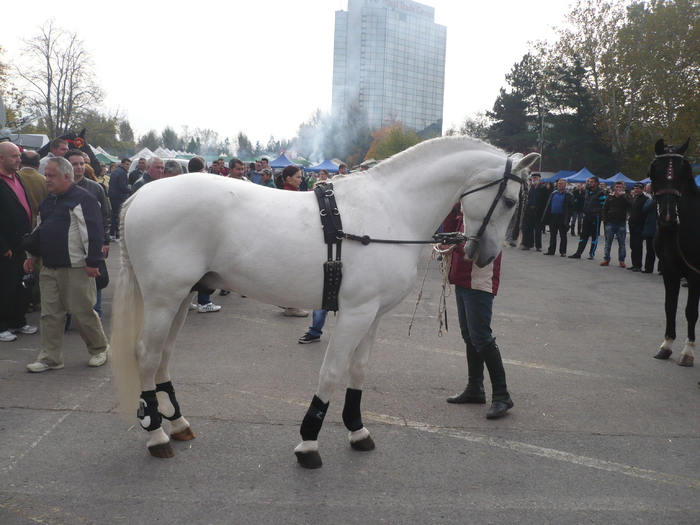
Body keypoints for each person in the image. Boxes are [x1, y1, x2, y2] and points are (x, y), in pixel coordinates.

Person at [24, 157, 109, 372]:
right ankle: (50, 358)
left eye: (52, 175)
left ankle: (100, 349)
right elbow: (38, 230)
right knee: (49, 315)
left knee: (82, 313)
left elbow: (93, 232)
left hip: (77, 268)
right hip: (49, 267)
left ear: (67, 176)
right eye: (46, 174)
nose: (47, 179)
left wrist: (92, 262)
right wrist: (30, 256)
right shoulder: (48, 200)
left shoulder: (83, 199)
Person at [442, 204, 513, 419]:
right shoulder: (464, 209)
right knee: (469, 336)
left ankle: (502, 395)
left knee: (481, 337)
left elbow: (484, 244)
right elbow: (449, 228)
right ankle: (475, 388)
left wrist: (455, 244)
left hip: (479, 277)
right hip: (462, 277)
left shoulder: (486, 211)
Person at [66, 150, 111, 318]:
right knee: (69, 280)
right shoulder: (60, 187)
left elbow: (105, 215)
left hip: (93, 240)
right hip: (70, 241)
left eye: (81, 163)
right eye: (74, 164)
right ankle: (69, 316)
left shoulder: (96, 187)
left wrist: (105, 241)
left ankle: (95, 312)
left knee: (95, 277)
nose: (79, 167)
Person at [0, 142, 37, 342]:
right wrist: (3, 246)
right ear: (1, 158)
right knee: (4, 287)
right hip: (6, 247)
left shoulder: (18, 177)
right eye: (14, 156)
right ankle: (2, 325)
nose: (18, 160)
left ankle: (18, 321)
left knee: (20, 286)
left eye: (19, 156)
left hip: (21, 244)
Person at [280, 165, 308, 317]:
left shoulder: (291, 192)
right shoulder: (288, 194)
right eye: (298, 177)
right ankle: (291, 306)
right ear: (289, 179)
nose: (300, 180)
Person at [568, 176, 606, 260]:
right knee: (583, 235)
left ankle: (591, 253)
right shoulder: (587, 191)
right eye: (589, 181)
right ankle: (578, 253)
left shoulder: (600, 192)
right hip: (586, 215)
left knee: (594, 236)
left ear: (596, 183)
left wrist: (602, 216)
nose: (590, 183)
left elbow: (604, 205)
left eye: (592, 182)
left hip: (595, 215)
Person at [600, 181, 630, 267]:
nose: (618, 188)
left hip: (621, 223)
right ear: (614, 187)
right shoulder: (609, 197)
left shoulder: (626, 196)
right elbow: (604, 209)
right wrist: (605, 221)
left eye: (620, 186)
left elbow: (629, 205)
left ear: (623, 187)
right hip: (610, 222)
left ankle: (621, 260)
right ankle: (606, 259)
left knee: (622, 243)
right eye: (617, 186)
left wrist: (621, 197)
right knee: (608, 242)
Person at [542, 178, 574, 257]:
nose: (559, 185)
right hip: (553, 217)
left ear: (565, 185)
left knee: (563, 235)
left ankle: (562, 251)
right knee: (552, 235)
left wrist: (568, 217)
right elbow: (548, 205)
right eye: (558, 183)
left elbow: (571, 207)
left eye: (561, 184)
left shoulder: (568, 195)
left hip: (562, 217)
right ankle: (551, 250)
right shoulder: (554, 193)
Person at [18, 150, 48, 227]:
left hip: (17, 224)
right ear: (38, 164)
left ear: (20, 163)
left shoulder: (13, 178)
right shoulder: (46, 181)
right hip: (38, 224)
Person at [520, 173, 548, 251]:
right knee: (527, 228)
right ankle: (527, 244)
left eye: (535, 177)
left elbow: (545, 200)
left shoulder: (543, 189)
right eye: (533, 178)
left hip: (537, 211)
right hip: (528, 210)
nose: (534, 179)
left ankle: (538, 246)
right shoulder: (529, 188)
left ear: (539, 178)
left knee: (538, 229)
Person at [107, 158, 132, 240]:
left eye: (129, 164)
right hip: (119, 196)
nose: (128, 166)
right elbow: (122, 186)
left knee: (114, 215)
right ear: (122, 164)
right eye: (126, 164)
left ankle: (111, 234)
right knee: (119, 216)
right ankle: (118, 235)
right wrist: (131, 190)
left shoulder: (116, 171)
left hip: (113, 196)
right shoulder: (122, 173)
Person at [627, 183, 649, 272]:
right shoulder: (634, 199)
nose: (636, 190)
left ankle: (638, 265)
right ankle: (634, 263)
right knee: (632, 245)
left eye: (639, 189)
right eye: (635, 188)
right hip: (632, 224)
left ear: (643, 189)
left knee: (638, 245)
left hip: (640, 225)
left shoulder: (645, 199)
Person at [641, 192, 657, 274]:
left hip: (662, 228)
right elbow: (645, 209)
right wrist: (654, 200)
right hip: (651, 228)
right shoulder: (650, 200)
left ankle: (662, 269)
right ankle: (648, 267)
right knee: (650, 249)